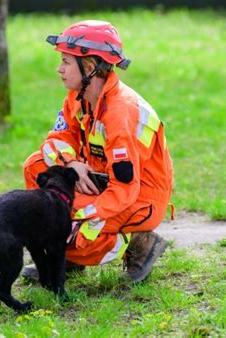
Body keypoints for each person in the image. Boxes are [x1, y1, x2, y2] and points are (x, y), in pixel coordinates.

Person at [22, 20, 173, 282]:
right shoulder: (77, 96)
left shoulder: (120, 112)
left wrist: (77, 217)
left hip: (139, 197)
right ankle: (66, 255)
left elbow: (125, 189)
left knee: (72, 229)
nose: (59, 69)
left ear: (89, 67)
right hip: (99, 179)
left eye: (66, 62)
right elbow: (55, 140)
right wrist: (70, 163)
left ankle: (139, 242)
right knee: (35, 167)